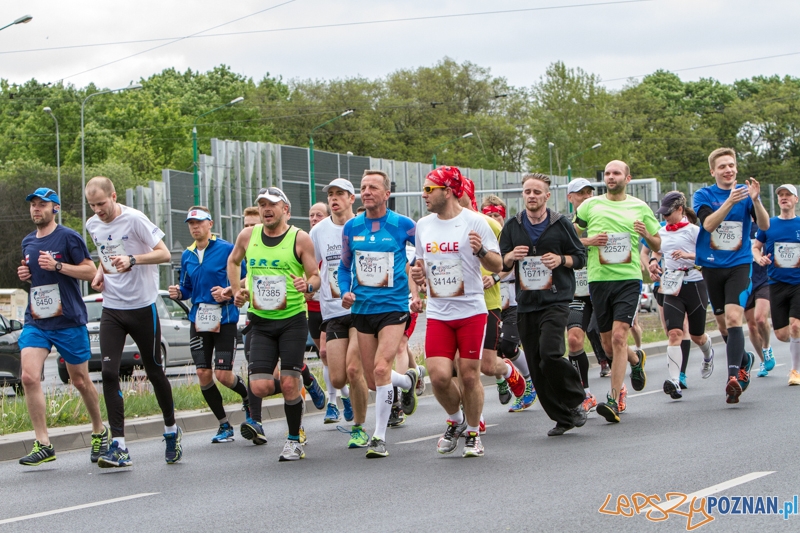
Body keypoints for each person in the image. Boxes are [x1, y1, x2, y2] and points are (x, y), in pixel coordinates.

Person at [85, 177, 180, 467]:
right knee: (109, 372)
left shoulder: (135, 219)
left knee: (154, 371)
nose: (99, 210)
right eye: (93, 205)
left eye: (102, 204)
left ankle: (171, 431)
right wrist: (101, 273)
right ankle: (120, 446)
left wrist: (134, 260)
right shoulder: (92, 225)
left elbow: (164, 253)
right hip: (113, 309)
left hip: (143, 307)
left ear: (113, 196)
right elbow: (105, 253)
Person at [411, 166, 501, 456]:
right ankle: (457, 420)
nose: (423, 194)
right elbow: (421, 264)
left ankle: (474, 433)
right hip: (439, 311)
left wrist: (482, 252)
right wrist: (419, 274)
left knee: (470, 375)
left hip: (472, 310)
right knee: (437, 377)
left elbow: (499, 265)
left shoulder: (476, 222)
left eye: (429, 189)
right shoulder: (423, 225)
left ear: (447, 191)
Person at [227, 187, 321, 461]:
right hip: (261, 322)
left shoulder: (299, 238)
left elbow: (314, 274)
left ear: (285, 210)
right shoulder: (248, 235)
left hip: (292, 320)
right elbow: (233, 261)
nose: (266, 209)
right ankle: (302, 383)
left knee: (290, 384)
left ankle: (294, 440)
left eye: (272, 205)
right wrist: (236, 290)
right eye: (262, 205)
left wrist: (309, 286)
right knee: (259, 387)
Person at [16, 188, 108, 466]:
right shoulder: (28, 241)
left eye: (42, 205)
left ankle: (98, 430)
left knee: (79, 380)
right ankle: (43, 443)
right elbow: (37, 278)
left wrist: (58, 266)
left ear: (55, 208)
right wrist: (27, 276)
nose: (36, 209)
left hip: (68, 320)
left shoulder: (68, 237)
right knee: (29, 377)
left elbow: (90, 271)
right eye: (33, 205)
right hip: (37, 320)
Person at [338, 169, 421, 458]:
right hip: (362, 308)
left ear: (387, 194)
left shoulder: (403, 225)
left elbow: (421, 253)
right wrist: (343, 291)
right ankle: (408, 380)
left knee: (382, 368)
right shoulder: (351, 228)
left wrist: (418, 284)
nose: (367, 191)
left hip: (394, 307)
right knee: (374, 380)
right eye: (363, 187)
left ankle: (379, 437)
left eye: (373, 187)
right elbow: (344, 266)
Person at [499, 173, 588, 436]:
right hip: (525, 303)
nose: (532, 196)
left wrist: (561, 260)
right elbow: (501, 263)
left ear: (547, 196)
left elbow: (580, 257)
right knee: (537, 365)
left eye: (537, 192)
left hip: (556, 299)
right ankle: (562, 418)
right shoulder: (512, 226)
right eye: (527, 192)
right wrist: (510, 256)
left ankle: (575, 399)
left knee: (550, 353)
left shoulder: (560, 223)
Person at [576, 161, 660, 423]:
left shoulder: (639, 206)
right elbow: (570, 237)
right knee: (607, 344)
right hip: (599, 280)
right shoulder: (589, 206)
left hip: (628, 279)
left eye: (616, 173)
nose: (611, 177)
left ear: (628, 178)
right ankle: (636, 360)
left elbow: (658, 243)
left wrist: (646, 233)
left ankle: (613, 398)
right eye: (608, 174)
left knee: (620, 337)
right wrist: (589, 240)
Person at [693, 147, 769, 403]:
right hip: (712, 267)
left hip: (739, 263)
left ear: (736, 168)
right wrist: (730, 201)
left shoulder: (747, 196)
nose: (728, 170)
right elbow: (708, 224)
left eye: (731, 165)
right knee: (723, 323)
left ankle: (733, 377)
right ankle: (744, 358)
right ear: (713, 171)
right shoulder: (703, 195)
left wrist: (756, 200)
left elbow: (765, 226)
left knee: (735, 317)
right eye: (722, 166)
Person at [168, 206, 249, 443]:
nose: (195, 227)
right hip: (199, 320)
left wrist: (228, 292)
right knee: (203, 373)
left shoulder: (226, 249)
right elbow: (187, 288)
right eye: (191, 224)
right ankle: (224, 425)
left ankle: (248, 399)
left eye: (199, 222)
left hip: (224, 319)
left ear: (210, 224)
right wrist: (178, 292)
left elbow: (244, 278)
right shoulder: (187, 255)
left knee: (223, 375)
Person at [459, 181, 527, 425]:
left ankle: (509, 371)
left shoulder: (487, 224)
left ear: (469, 195)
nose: (454, 197)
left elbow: (506, 264)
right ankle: (474, 418)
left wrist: (495, 276)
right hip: (453, 305)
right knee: (463, 366)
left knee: (487, 365)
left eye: (459, 192)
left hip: (487, 303)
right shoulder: (437, 226)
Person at [309, 179, 369, 448]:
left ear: (351, 198)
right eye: (330, 194)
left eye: (340, 194)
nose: (334, 199)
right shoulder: (319, 231)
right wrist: (308, 286)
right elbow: (310, 268)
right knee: (337, 377)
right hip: (332, 309)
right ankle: (401, 381)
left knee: (355, 369)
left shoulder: (363, 225)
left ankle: (359, 427)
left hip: (362, 307)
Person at [650, 192, 715, 400]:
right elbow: (657, 250)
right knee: (674, 333)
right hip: (672, 286)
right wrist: (653, 263)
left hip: (695, 284)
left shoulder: (695, 231)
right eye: (663, 213)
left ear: (680, 210)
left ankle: (708, 353)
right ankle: (675, 381)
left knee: (696, 335)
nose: (666, 217)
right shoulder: (662, 231)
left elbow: (710, 256)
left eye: (669, 213)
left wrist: (687, 255)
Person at [481, 194, 537, 412]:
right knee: (491, 349)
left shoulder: (510, 235)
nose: (494, 219)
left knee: (508, 345)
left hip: (512, 298)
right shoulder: (480, 235)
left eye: (497, 215)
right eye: (489, 215)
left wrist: (495, 277)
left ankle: (529, 382)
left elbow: (514, 264)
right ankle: (501, 380)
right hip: (488, 302)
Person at [307, 202, 352, 424]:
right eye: (311, 215)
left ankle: (334, 402)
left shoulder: (340, 231)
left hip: (343, 306)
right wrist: (307, 288)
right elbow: (306, 269)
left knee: (328, 353)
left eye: (318, 214)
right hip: (317, 305)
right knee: (325, 357)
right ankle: (341, 398)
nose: (314, 218)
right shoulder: (313, 236)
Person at [754, 184, 800, 385]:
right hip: (776, 283)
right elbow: (756, 248)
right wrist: (759, 259)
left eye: (788, 195)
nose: (783, 198)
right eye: (780, 195)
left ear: (795, 199)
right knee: (782, 334)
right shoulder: (768, 225)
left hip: (798, 283)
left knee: (796, 326)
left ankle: (795, 372)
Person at [565, 178, 603, 411]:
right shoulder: (566, 225)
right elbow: (561, 245)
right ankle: (584, 393)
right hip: (578, 292)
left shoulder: (603, 219)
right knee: (574, 339)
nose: (587, 196)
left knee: (609, 345)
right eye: (581, 193)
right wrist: (588, 241)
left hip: (603, 286)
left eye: (590, 192)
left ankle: (635, 360)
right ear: (571, 198)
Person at [744, 225, 775, 377]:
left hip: (763, 279)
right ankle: (763, 360)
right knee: (751, 326)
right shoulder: (735, 227)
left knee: (761, 319)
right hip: (744, 280)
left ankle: (767, 347)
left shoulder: (762, 227)